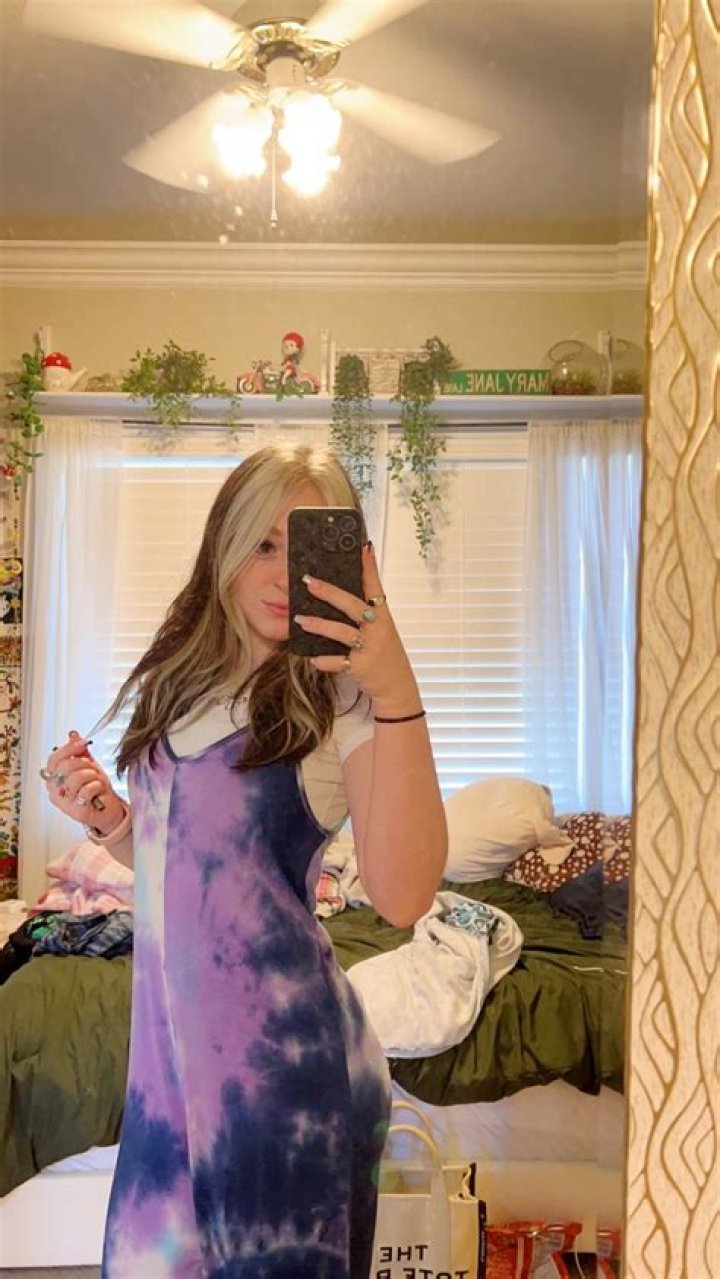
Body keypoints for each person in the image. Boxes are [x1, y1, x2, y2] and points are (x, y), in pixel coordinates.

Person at [41, 443, 447, 1279]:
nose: (281, 572)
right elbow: (194, 863)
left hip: (284, 1082)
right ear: (223, 544)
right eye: (262, 543)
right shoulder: (178, 681)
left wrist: (397, 689)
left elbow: (405, 897)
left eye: (306, 546)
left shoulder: (342, 698)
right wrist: (111, 821)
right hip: (170, 1073)